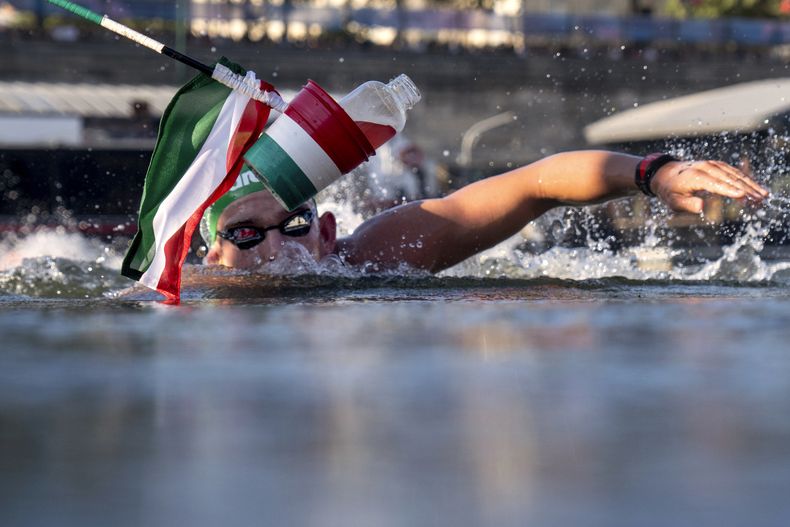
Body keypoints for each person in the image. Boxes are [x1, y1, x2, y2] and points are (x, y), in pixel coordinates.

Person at [200, 151, 768, 272]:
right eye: (245, 234)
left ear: (326, 232)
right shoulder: (187, 294)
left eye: (294, 225)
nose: (277, 248)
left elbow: (534, 184)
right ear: (212, 255)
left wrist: (655, 173)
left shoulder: (374, 257)